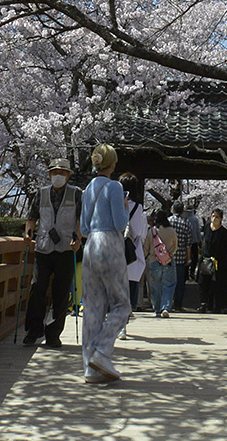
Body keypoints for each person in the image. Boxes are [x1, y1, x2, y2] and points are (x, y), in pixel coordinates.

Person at [81, 144, 130, 383]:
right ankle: (102, 350)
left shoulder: (87, 189)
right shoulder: (115, 187)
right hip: (109, 242)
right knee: (122, 304)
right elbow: (121, 224)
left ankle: (90, 369)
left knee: (92, 308)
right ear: (112, 164)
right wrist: (125, 209)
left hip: (90, 244)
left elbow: (82, 228)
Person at [22, 158, 82, 348]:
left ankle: (54, 333)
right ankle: (34, 330)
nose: (58, 176)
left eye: (63, 173)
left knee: (61, 292)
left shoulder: (76, 194)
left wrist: (78, 239)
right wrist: (27, 233)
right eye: (55, 172)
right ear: (49, 174)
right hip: (43, 246)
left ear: (68, 175)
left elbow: (81, 219)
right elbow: (32, 218)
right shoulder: (41, 194)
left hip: (65, 247)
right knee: (37, 287)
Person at [117, 173, 148, 339]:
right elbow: (139, 234)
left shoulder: (113, 205)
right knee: (128, 289)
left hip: (114, 249)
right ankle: (123, 325)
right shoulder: (138, 208)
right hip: (131, 253)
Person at [143, 209, 178, 318]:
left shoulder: (151, 231)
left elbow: (146, 248)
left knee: (155, 286)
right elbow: (175, 246)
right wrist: (170, 254)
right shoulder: (172, 231)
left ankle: (157, 308)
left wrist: (144, 257)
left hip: (154, 262)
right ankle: (165, 307)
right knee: (168, 285)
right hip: (168, 262)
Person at [197, 208, 227, 313]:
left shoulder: (224, 232)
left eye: (217, 217)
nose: (214, 218)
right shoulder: (207, 228)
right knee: (203, 282)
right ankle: (204, 304)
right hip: (206, 260)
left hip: (219, 261)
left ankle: (219, 306)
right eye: (213, 216)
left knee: (219, 284)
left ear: (221, 219)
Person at [168, 200, 192, 311]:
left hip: (167, 257)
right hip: (181, 257)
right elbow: (188, 245)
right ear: (182, 211)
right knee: (180, 283)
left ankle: (167, 304)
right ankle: (178, 305)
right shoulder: (187, 224)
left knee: (167, 281)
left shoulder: (168, 222)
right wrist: (188, 258)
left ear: (173, 210)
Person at [185, 204, 202, 280]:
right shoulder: (195, 219)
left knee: (186, 258)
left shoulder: (185, 219)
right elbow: (198, 231)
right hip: (194, 241)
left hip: (185, 242)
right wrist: (200, 240)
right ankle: (192, 271)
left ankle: (186, 273)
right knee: (194, 258)